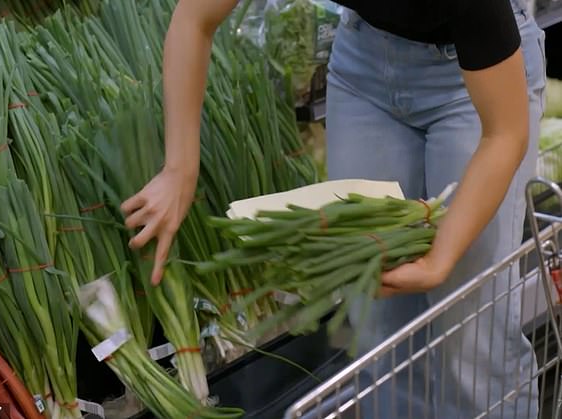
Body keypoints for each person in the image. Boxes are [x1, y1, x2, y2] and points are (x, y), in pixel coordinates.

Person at [121, 0, 546, 417]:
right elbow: (195, 18)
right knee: (377, 325)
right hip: (364, 66)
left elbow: (505, 134)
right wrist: (179, 169)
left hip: (473, 83)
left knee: (468, 330)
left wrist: (440, 260)